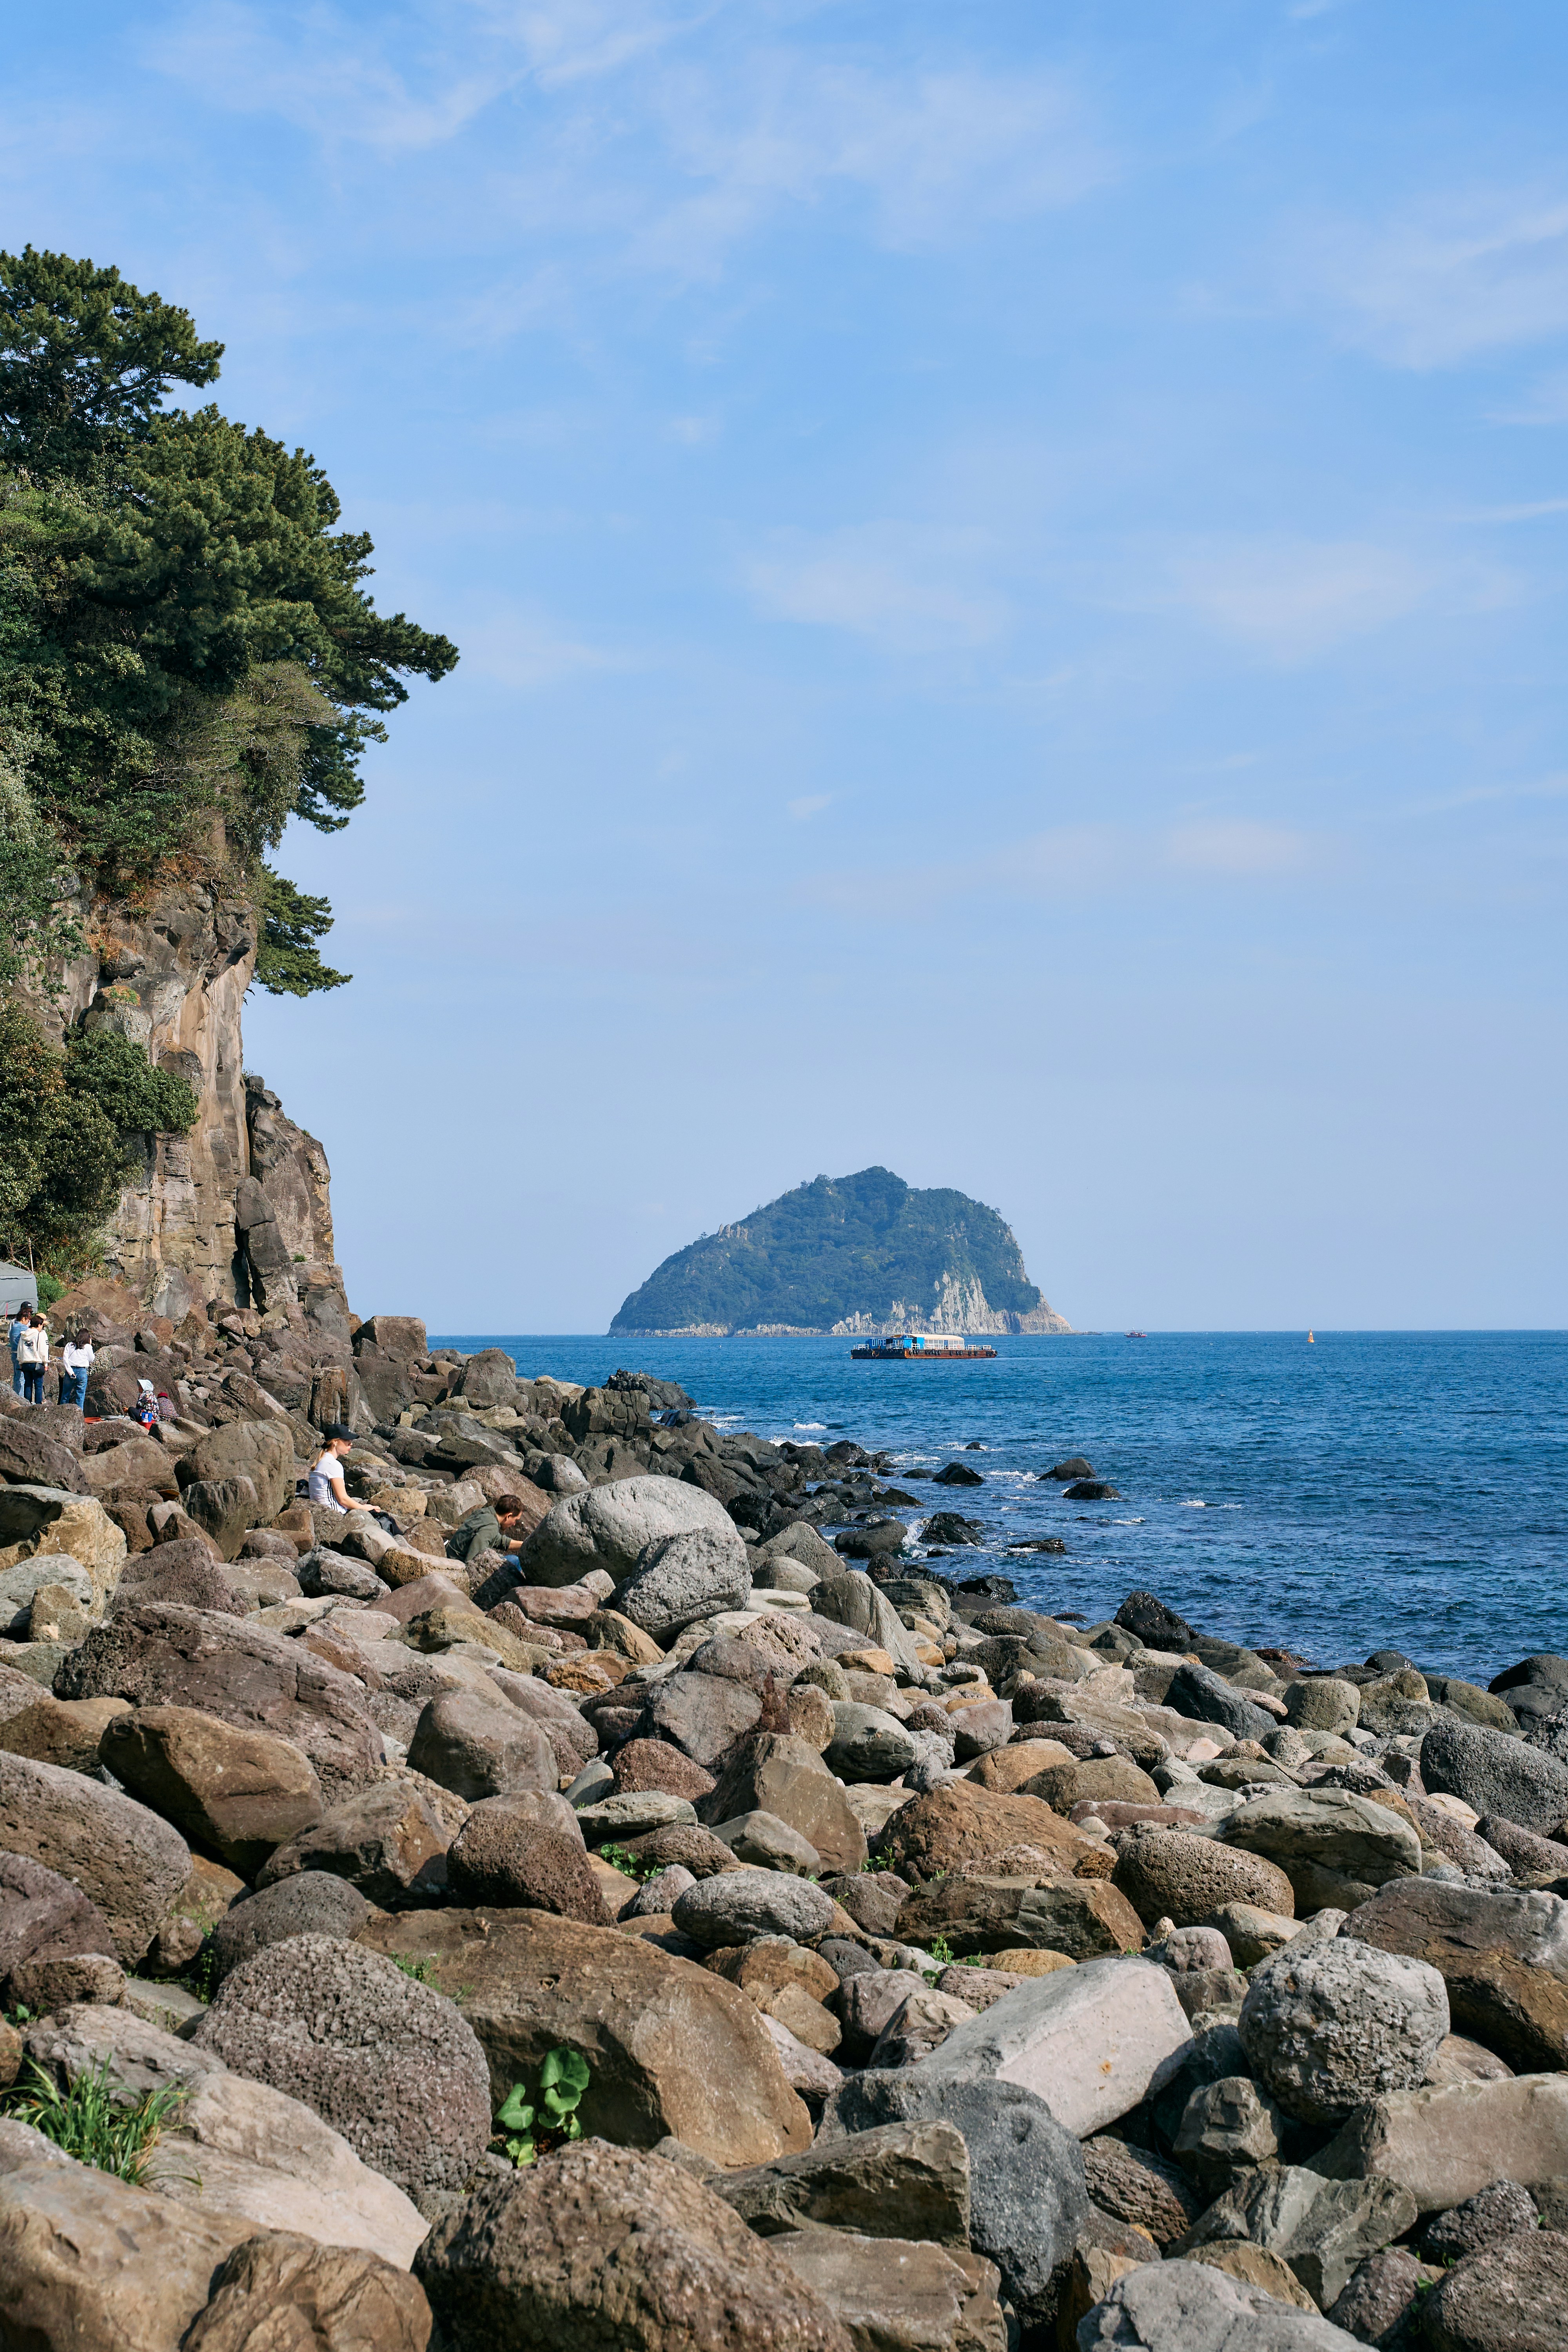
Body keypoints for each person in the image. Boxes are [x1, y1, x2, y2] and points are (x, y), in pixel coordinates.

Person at [446, 1494, 531, 1566]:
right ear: (509, 1516)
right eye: (516, 1520)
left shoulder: (486, 1513)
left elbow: (500, 1541)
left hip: (451, 1555)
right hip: (458, 1563)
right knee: (516, 1561)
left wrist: (527, 1545)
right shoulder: (491, 1527)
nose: (514, 1524)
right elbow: (473, 1560)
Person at [307, 1424, 359, 1513]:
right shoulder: (333, 1464)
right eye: (347, 1440)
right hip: (335, 1514)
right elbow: (343, 1500)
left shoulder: (322, 1461)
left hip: (320, 1513)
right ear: (335, 1442)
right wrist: (365, 1508)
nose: (351, 1443)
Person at [15, 1310, 48, 1405]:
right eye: (42, 1325)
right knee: (38, 1385)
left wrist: (20, 1361)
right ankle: (38, 1405)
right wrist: (46, 1363)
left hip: (25, 1363)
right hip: (36, 1363)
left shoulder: (24, 1335)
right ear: (39, 1325)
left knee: (28, 1384)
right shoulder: (39, 1334)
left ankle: (27, 1403)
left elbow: (20, 1349)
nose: (42, 1328)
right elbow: (43, 1350)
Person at [60, 1327, 94, 1411]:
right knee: (80, 1396)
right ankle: (80, 1415)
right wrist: (91, 1344)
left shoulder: (69, 1345)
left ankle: (61, 1413)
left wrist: (70, 1371)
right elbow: (91, 1359)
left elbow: (65, 1359)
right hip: (82, 1371)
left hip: (70, 1371)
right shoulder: (88, 1347)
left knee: (66, 1395)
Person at [7, 1303, 29, 1397]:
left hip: (13, 1353)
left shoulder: (14, 1326)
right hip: (21, 1356)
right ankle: (20, 1398)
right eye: (28, 1320)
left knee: (17, 1377)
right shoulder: (23, 1328)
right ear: (23, 1319)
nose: (28, 1322)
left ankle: (16, 1396)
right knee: (22, 1379)